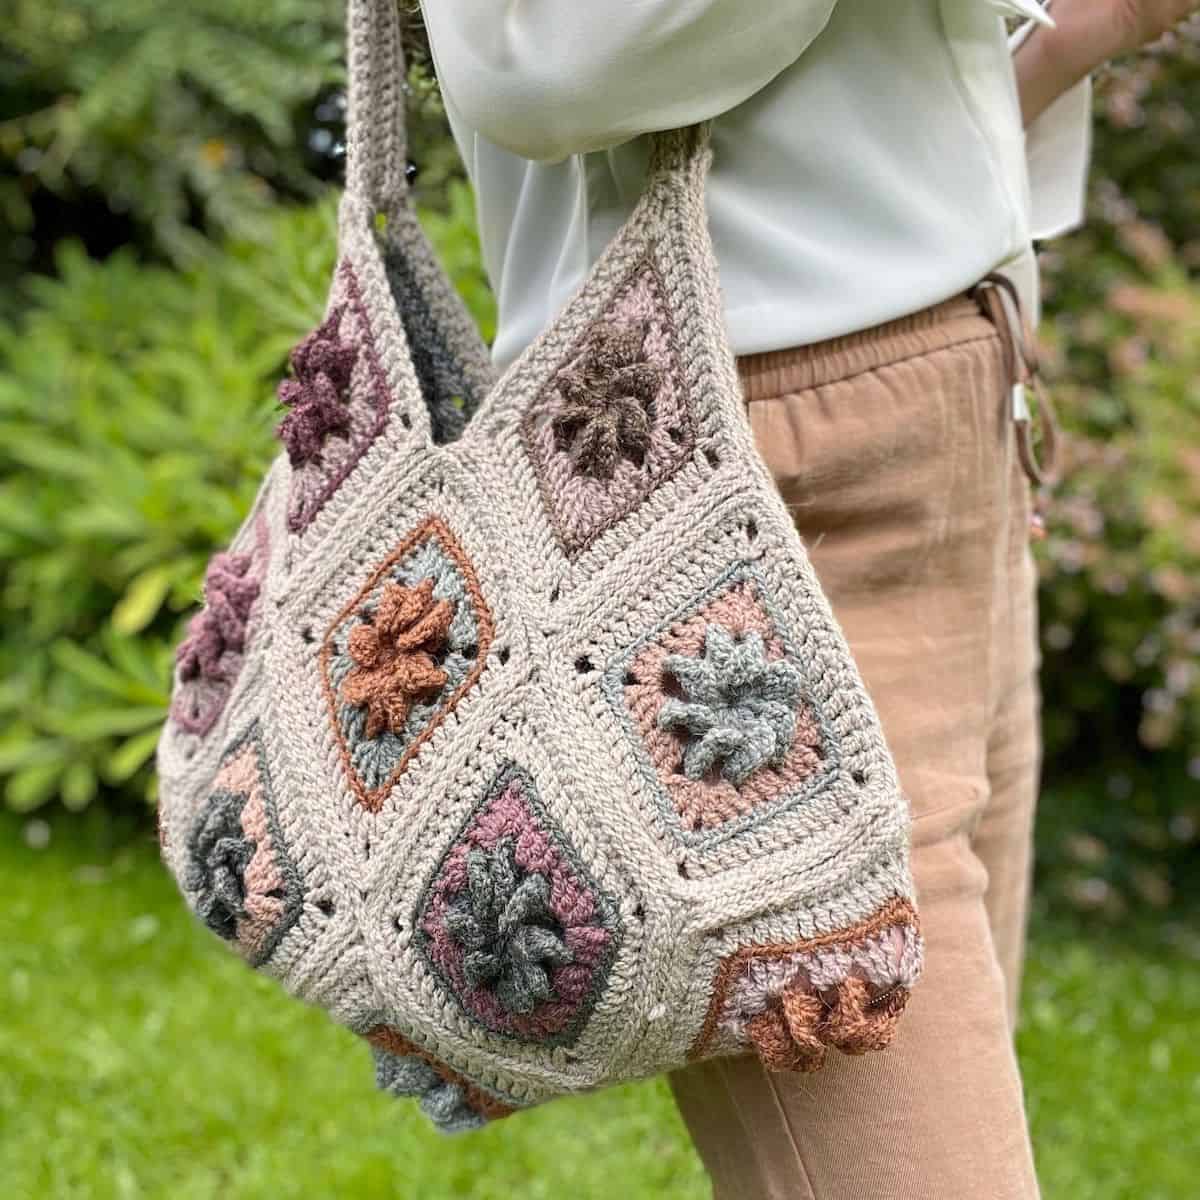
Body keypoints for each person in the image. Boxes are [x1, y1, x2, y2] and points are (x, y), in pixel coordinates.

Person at [415, 2, 1199, 1196]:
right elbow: (542, 61)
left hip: (953, 440)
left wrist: (1069, 40)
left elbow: (850, 148)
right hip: (740, 508)